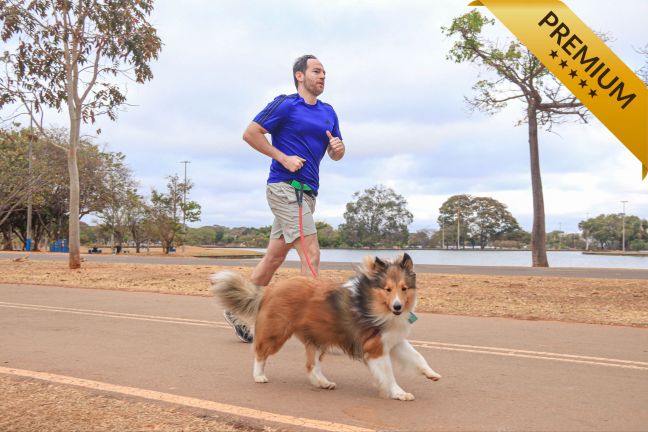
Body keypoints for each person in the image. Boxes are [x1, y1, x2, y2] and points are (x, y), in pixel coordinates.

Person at [223, 54, 345, 342]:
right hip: (285, 186)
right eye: (316, 71)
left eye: (325, 73)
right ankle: (316, 323)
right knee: (311, 253)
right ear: (299, 76)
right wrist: (283, 157)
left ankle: (238, 309)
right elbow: (251, 133)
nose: (322, 76)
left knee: (275, 257)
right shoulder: (286, 104)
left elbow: (336, 153)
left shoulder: (329, 112)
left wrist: (338, 149)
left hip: (308, 192)